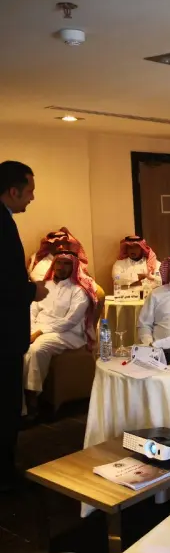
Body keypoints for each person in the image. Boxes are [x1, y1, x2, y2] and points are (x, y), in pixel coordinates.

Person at [0, 160, 48, 491]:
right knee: (5, 406)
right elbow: (5, 283)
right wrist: (34, 290)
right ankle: (5, 476)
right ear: (13, 191)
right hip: (4, 335)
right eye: (29, 190)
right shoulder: (2, 225)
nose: (32, 197)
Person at [24, 251, 97, 401]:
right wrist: (30, 331)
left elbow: (70, 321)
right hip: (36, 330)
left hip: (68, 333)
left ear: (74, 267)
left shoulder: (79, 290)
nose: (61, 267)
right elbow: (31, 311)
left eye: (66, 263)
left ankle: (32, 399)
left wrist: (39, 332)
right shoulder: (44, 286)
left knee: (37, 349)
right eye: (58, 262)